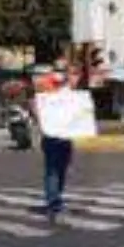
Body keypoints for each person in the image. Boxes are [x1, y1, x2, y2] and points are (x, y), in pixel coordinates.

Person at [33, 71, 74, 222]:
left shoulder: (66, 96)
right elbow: (38, 114)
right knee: (53, 171)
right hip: (52, 137)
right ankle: (53, 202)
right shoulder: (44, 97)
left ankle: (56, 199)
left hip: (64, 137)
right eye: (58, 83)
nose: (61, 85)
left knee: (61, 169)